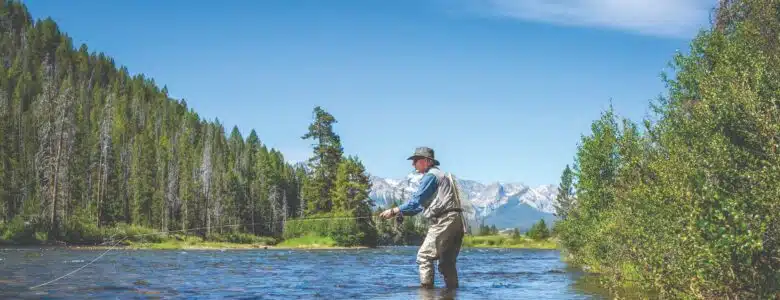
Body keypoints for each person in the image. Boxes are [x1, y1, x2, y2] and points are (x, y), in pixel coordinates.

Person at [379, 146, 465, 289]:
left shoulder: (431, 176)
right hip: (457, 221)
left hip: (444, 221)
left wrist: (394, 210)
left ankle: (426, 293)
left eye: (416, 160)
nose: (413, 164)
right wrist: (401, 212)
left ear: (427, 161)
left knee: (424, 256)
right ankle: (452, 294)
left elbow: (415, 201)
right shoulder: (442, 176)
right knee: (446, 263)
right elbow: (418, 207)